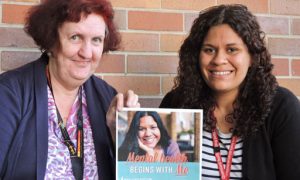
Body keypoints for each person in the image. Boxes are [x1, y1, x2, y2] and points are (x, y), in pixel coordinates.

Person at [0, 0, 139, 179]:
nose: (87, 53)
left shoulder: (108, 98)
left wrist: (120, 134)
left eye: (96, 40)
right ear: (51, 41)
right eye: (75, 37)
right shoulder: (10, 93)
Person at [160, 4, 300, 180]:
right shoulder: (177, 104)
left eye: (232, 49)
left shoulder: (281, 108)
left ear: (252, 57)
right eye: (209, 50)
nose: (219, 60)